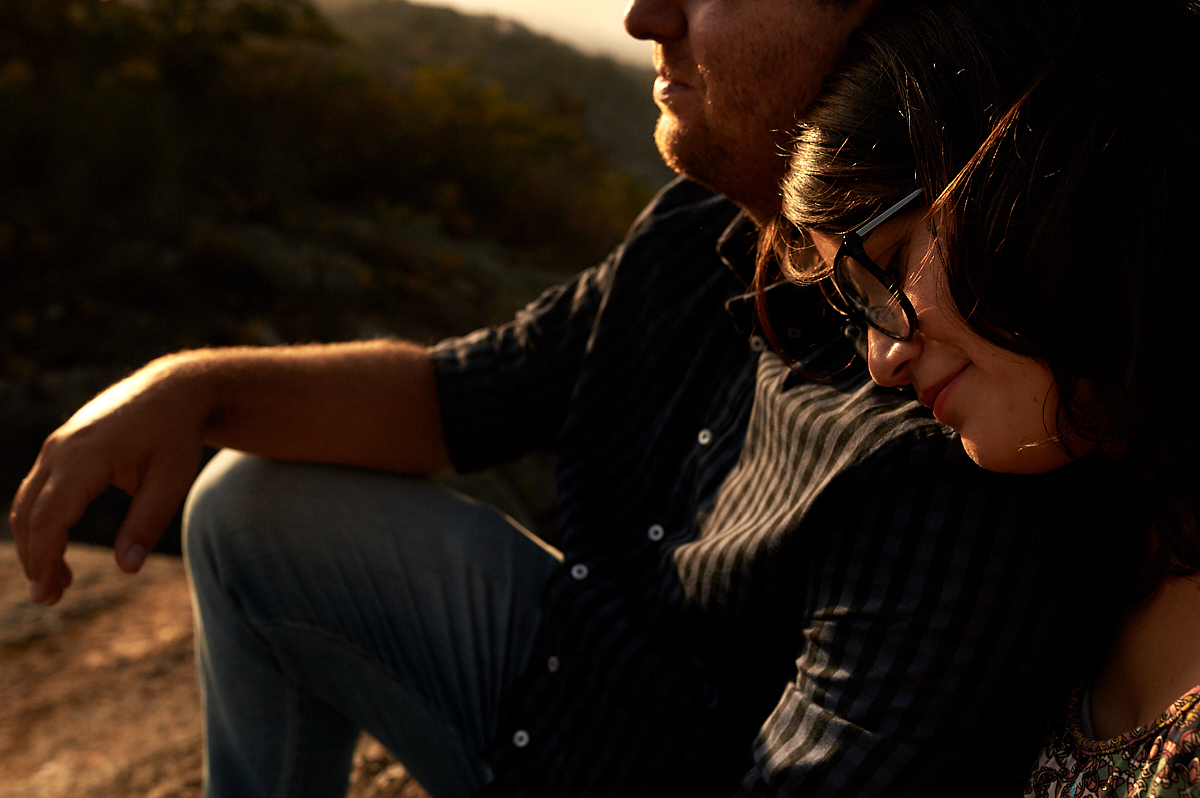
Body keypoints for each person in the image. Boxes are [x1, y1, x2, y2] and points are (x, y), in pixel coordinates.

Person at [8, 0, 1126, 796]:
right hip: (555, 685)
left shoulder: (951, 419)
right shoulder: (708, 232)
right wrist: (186, 387)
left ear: (882, 28)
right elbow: (462, 394)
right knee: (251, 510)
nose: (644, 15)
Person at [770, 1, 1200, 795]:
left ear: (1048, 165)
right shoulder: (1093, 541)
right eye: (853, 308)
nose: (882, 362)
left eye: (892, 267)